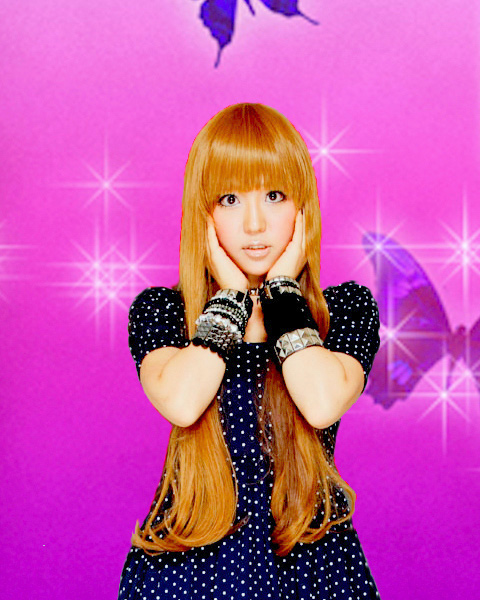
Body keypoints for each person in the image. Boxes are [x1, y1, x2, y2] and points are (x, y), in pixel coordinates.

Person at [118, 103, 382, 599]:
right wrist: (234, 297)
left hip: (310, 560)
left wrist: (282, 292)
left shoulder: (344, 309)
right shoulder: (164, 312)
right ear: (204, 210)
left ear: (302, 206)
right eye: (231, 198)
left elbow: (321, 403)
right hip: (190, 564)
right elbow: (182, 401)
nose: (255, 223)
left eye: (275, 196)